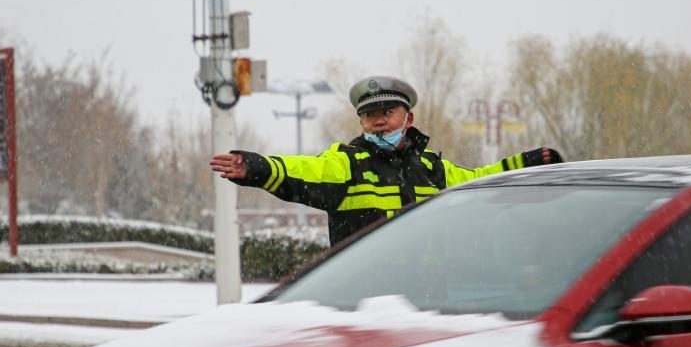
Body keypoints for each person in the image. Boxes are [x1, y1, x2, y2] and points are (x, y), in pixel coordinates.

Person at [210, 75, 563, 246]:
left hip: (425, 297)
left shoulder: (432, 169)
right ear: (361, 122)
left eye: (387, 112)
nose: (378, 121)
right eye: (369, 115)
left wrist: (527, 164)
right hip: (363, 302)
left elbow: (481, 180)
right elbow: (302, 170)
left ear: (408, 118)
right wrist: (256, 167)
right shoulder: (346, 163)